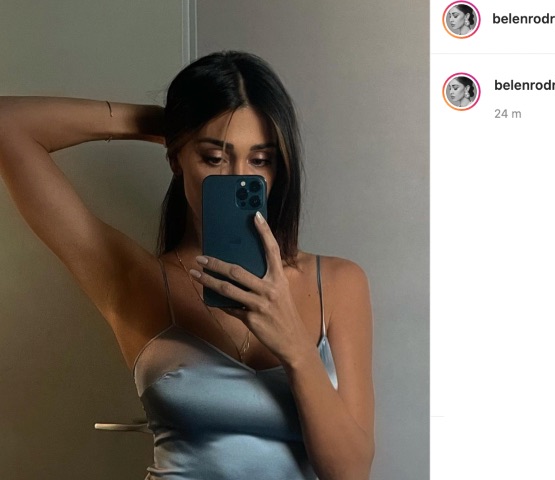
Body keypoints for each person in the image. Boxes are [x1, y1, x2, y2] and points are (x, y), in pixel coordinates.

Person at [0, 51, 374, 480]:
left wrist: (295, 348)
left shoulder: (339, 284)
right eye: (214, 157)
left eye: (259, 160)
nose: (236, 177)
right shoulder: (136, 280)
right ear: (177, 160)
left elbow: (350, 473)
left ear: (280, 167)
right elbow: (8, 125)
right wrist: (165, 122)